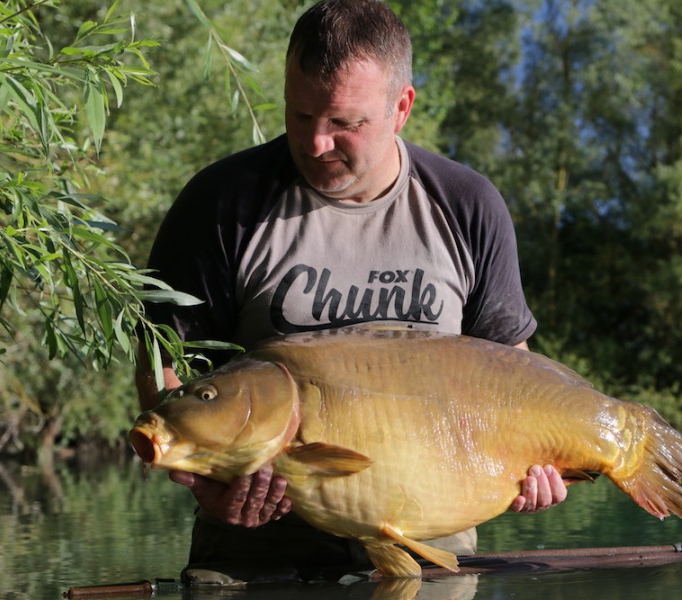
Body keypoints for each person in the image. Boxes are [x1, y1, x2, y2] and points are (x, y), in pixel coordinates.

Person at [135, 0, 567, 583]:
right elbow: (164, 367)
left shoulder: (466, 205)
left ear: (402, 108)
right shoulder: (222, 204)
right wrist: (209, 486)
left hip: (429, 549)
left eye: (344, 123)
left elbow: (511, 371)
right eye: (299, 114)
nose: (315, 142)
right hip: (257, 547)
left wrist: (541, 462)